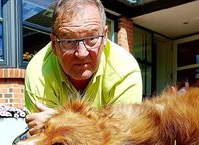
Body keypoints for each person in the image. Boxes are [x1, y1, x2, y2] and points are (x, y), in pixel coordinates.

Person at [24, 0, 142, 135]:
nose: (82, 53)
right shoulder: (38, 71)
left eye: (92, 38)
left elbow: (121, 135)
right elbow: (43, 138)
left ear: (105, 37)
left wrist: (58, 121)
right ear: (54, 44)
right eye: (68, 41)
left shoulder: (125, 67)